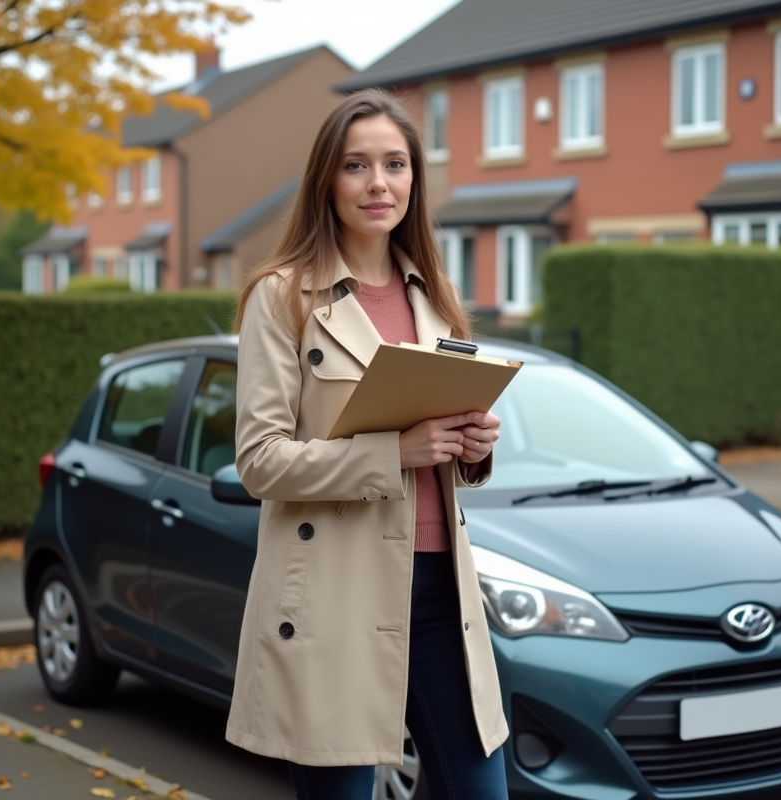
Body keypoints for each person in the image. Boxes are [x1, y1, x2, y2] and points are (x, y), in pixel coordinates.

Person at [227, 89, 509, 800]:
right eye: (356, 165)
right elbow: (259, 461)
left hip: (443, 589)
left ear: (415, 179)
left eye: (394, 164)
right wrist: (394, 453)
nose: (378, 183)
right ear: (326, 179)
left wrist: (471, 445)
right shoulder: (281, 296)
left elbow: (436, 439)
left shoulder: (436, 295)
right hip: (334, 594)